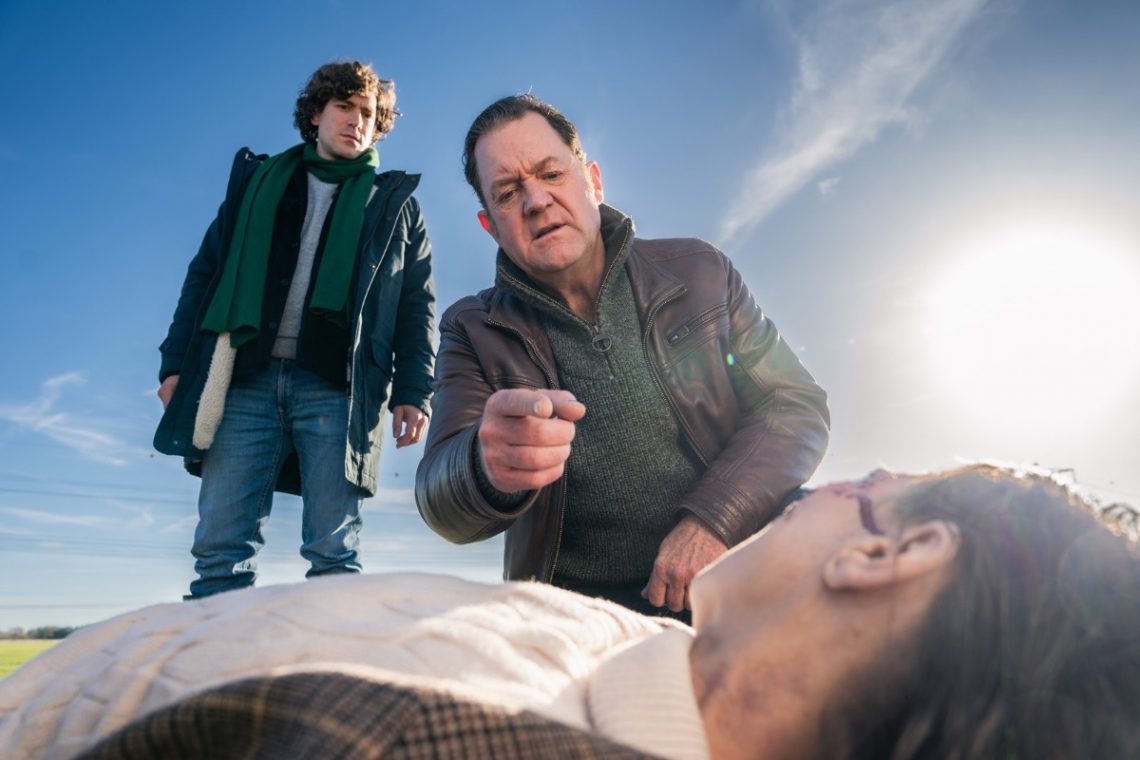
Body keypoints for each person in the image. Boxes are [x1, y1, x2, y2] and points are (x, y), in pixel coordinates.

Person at [5, 464, 1134, 759]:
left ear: (895, 553)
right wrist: (483, 470)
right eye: (501, 188)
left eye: (870, 484)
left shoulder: (400, 739)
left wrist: (706, 514)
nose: (821, 485)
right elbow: (449, 484)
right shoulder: (661, 653)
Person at [414, 94, 830, 619]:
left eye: (551, 174)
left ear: (593, 181)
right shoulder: (470, 328)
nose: (536, 201)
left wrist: (714, 521)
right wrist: (482, 464)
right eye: (508, 192)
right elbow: (438, 498)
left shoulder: (701, 270)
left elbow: (794, 405)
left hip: (738, 559)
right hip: (581, 615)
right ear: (489, 226)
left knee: (849, 529)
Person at [153, 61, 436, 598]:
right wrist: (174, 364)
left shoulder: (394, 205)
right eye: (344, 107)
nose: (356, 121)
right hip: (243, 380)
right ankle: (219, 651)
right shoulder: (258, 185)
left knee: (335, 554)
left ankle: (328, 653)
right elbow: (204, 276)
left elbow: (415, 306)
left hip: (338, 389)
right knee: (219, 551)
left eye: (368, 113)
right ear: (315, 114)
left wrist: (414, 390)